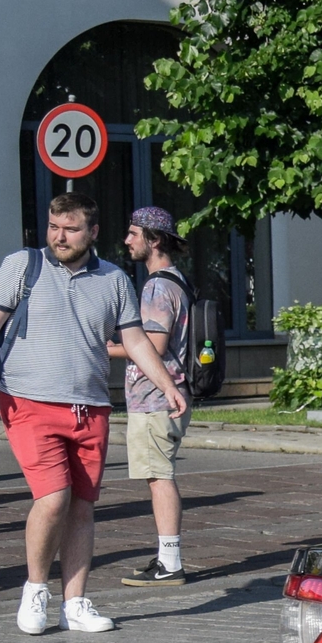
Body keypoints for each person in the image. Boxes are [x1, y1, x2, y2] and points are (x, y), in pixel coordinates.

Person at [0, 191, 189, 634]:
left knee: (82, 505)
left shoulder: (114, 279)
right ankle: (36, 590)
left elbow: (136, 341)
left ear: (93, 232)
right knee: (54, 496)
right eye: (54, 227)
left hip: (91, 407)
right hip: (28, 400)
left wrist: (167, 385)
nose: (60, 237)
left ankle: (75, 602)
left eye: (71, 229)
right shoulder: (22, 266)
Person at [103, 207, 192, 586]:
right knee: (158, 474)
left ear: (154, 240)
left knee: (159, 477)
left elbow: (153, 344)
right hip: (166, 395)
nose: (127, 241)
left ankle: (170, 562)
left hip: (157, 397)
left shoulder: (157, 286)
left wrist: (105, 346)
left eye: (133, 233)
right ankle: (166, 557)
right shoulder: (178, 281)